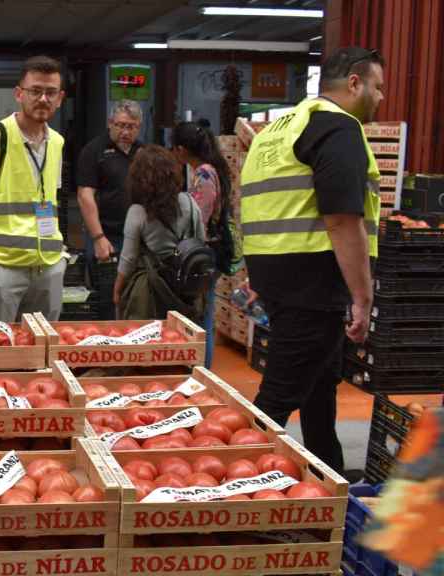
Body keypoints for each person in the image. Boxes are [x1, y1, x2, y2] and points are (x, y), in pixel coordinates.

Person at [240, 46, 384, 475]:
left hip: (279, 278)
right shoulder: (339, 127)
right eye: (378, 87)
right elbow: (342, 219)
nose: (381, 98)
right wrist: (362, 295)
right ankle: (232, 480)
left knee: (320, 387)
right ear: (354, 83)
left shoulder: (277, 129)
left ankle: (328, 472)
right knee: (276, 400)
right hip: (313, 284)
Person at [0, 55, 67, 323]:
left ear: (60, 98)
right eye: (35, 91)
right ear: (19, 94)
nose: (43, 99)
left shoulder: (56, 142)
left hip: (48, 265)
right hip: (5, 266)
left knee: (44, 349)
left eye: (50, 92)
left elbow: (50, 201)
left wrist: (60, 258)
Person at [113, 145, 205, 320]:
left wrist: (117, 289)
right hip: (185, 288)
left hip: (150, 291)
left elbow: (129, 259)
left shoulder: (138, 212)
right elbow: (200, 241)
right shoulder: (190, 202)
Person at [172, 120, 233, 368]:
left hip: (205, 255)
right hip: (207, 252)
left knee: (202, 317)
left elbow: (200, 217)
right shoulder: (207, 169)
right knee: (202, 315)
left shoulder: (204, 174)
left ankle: (202, 371)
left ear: (182, 150)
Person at [76, 100, 143, 319]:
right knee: (107, 298)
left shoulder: (143, 153)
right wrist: (97, 237)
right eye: (120, 125)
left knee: (135, 295)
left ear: (139, 127)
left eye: (131, 126)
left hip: (138, 237)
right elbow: (85, 195)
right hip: (106, 236)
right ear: (110, 123)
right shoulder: (94, 150)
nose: (125, 131)